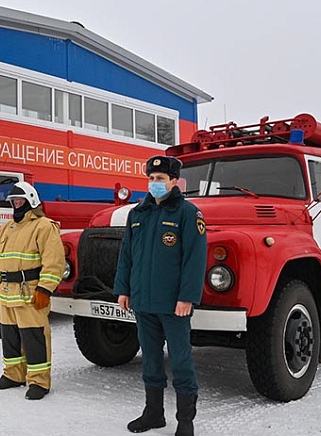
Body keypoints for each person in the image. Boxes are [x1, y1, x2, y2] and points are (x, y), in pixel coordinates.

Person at [113, 155, 207, 436]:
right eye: (151, 179)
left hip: (173, 304)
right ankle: (153, 414)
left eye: (161, 179)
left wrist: (187, 297)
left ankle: (185, 422)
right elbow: (126, 256)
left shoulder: (188, 214)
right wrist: (123, 289)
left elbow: (195, 258)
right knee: (151, 361)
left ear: (174, 182)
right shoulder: (137, 214)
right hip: (143, 301)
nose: (155, 184)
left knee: (180, 362)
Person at [0, 181, 65, 400]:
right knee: (10, 337)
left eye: (20, 200)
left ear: (31, 200)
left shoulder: (44, 226)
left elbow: (54, 261)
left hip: (30, 293)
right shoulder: (5, 229)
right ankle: (13, 375)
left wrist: (45, 289)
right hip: (7, 293)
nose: (16, 204)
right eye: (13, 201)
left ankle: (39, 381)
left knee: (34, 338)